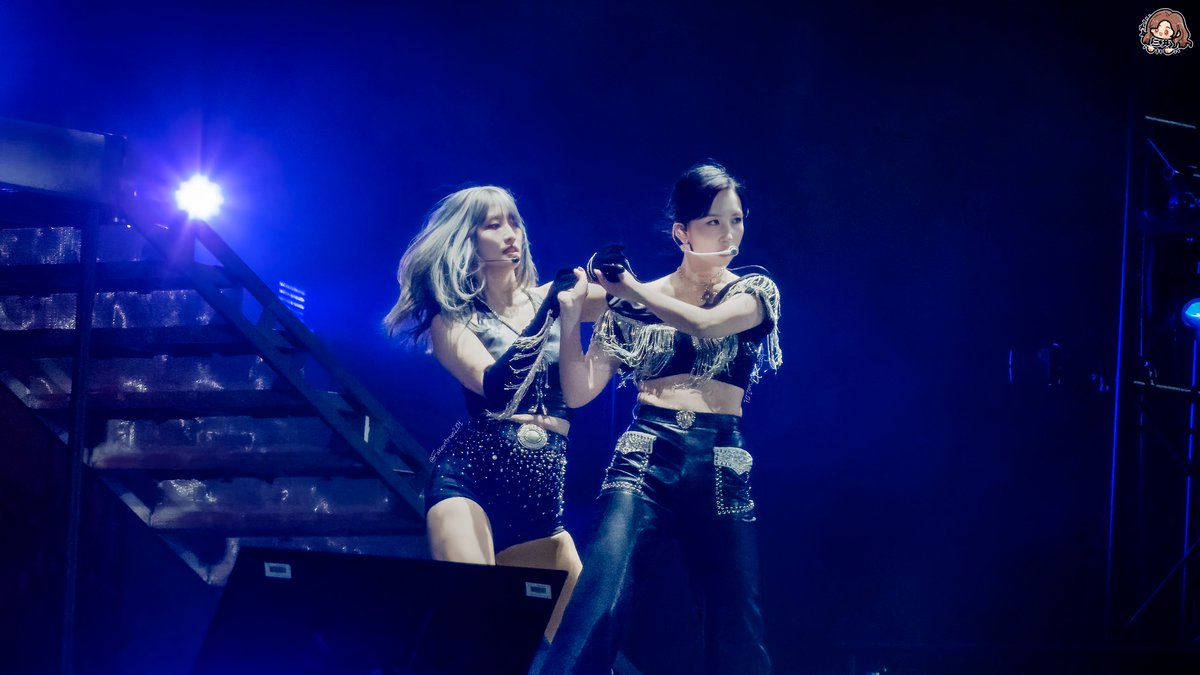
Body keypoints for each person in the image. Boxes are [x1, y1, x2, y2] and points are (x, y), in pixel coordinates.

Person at [543, 163, 781, 674]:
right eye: (714, 222)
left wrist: (627, 288)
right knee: (600, 594)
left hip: (720, 458)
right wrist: (570, 318)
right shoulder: (632, 304)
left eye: (737, 220)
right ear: (682, 232)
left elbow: (705, 325)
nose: (729, 234)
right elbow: (580, 392)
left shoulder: (753, 292)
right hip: (646, 450)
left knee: (734, 618)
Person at [383, 185, 597, 642]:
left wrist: (620, 279)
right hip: (470, 484)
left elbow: (638, 302)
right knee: (478, 630)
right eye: (493, 225)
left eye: (514, 222)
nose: (510, 234)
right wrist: (549, 315)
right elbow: (498, 390)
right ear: (469, 239)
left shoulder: (553, 297)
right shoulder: (452, 320)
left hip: (541, 500)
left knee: (585, 647)